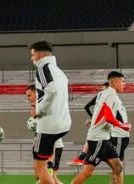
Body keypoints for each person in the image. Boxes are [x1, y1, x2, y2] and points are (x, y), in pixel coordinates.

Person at [71, 71, 131, 184]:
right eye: (122, 81)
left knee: (118, 168)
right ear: (114, 82)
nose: (125, 84)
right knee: (87, 172)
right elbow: (108, 117)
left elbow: (103, 114)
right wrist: (124, 125)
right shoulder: (111, 95)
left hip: (105, 139)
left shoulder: (106, 93)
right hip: (98, 139)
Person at [30, 41, 71, 184]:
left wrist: (38, 111)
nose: (32, 58)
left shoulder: (42, 67)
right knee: (47, 167)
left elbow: (52, 91)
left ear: (40, 54)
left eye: (33, 55)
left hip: (48, 126)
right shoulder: (59, 71)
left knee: (39, 169)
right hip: (63, 124)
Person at [26, 84, 62, 184]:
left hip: (52, 144)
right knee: (41, 175)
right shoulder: (39, 106)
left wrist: (50, 160)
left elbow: (52, 132)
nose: (28, 98)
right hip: (45, 141)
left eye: (29, 95)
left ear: (35, 93)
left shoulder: (44, 105)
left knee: (44, 175)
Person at [69, 83, 109, 166]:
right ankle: (82, 157)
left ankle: (83, 158)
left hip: (110, 125)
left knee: (93, 138)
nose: (101, 89)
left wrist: (93, 120)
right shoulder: (106, 96)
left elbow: (87, 106)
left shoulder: (103, 96)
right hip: (107, 124)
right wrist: (94, 120)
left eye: (103, 88)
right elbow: (87, 107)